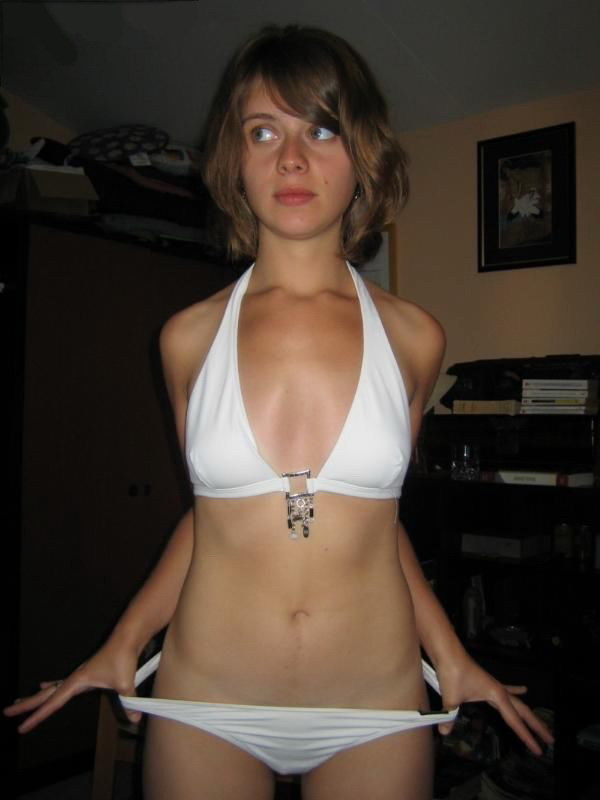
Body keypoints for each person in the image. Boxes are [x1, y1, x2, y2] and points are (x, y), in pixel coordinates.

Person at [5, 25, 552, 800]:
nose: (291, 159)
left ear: (362, 154)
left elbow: (379, 523)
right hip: (207, 702)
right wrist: (124, 640)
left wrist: (452, 655)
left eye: (320, 130)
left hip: (374, 705)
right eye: (264, 132)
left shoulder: (415, 337)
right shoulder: (187, 338)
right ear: (236, 159)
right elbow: (211, 519)